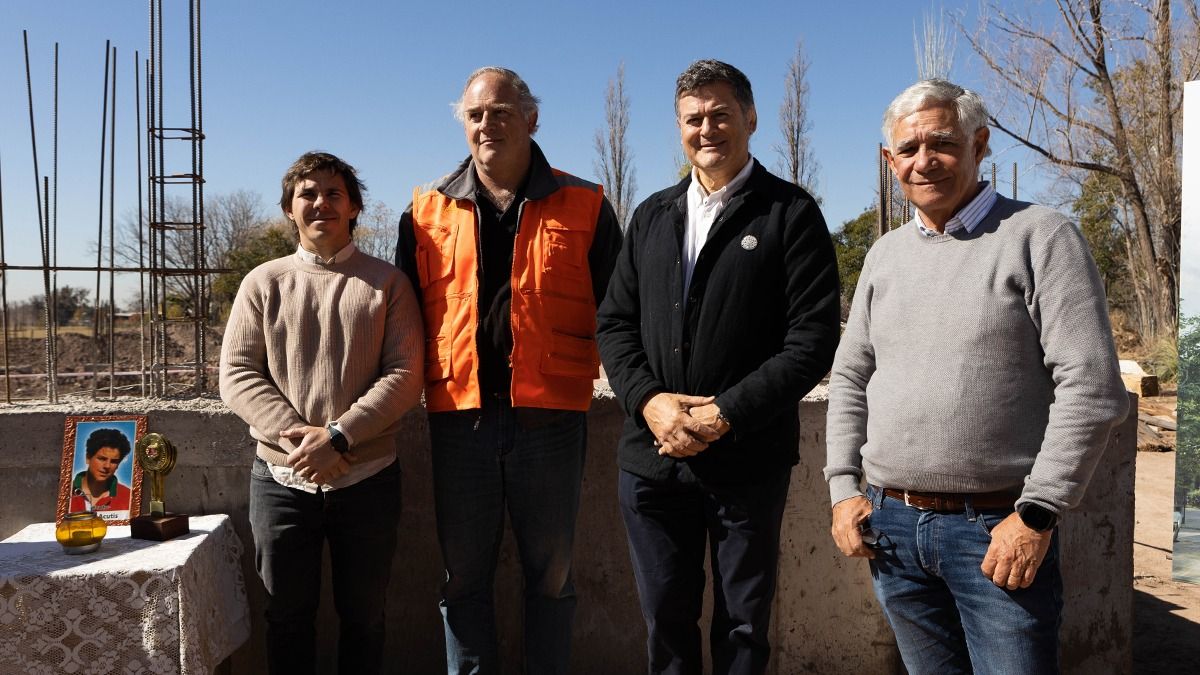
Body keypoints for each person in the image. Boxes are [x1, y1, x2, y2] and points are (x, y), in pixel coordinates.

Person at [824, 79, 1130, 674]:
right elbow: (851, 377)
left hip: (996, 530)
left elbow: (1091, 386)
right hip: (890, 530)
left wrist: (1038, 512)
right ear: (890, 161)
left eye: (941, 143)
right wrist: (843, 491)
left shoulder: (1041, 236)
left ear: (979, 143)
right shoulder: (885, 256)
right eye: (907, 150)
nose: (923, 161)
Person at [596, 59, 841, 675]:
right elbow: (615, 324)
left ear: (751, 118)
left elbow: (811, 342)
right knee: (666, 622)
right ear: (678, 128)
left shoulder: (790, 213)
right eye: (692, 118)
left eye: (720, 114)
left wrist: (725, 413)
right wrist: (650, 402)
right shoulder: (651, 216)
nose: (706, 128)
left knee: (743, 626)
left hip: (746, 463)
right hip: (651, 463)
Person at [395, 66, 621, 674]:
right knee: (462, 578)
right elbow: (401, 320)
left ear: (531, 118)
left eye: (500, 111)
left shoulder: (586, 204)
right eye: (475, 115)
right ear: (463, 124)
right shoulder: (425, 211)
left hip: (550, 420)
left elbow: (621, 312)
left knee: (551, 578)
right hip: (458, 421)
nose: (487, 124)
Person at [220, 151, 423, 675]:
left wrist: (340, 437)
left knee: (366, 618)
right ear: (290, 209)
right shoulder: (262, 283)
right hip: (281, 480)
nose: (320, 203)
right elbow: (238, 374)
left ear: (354, 206)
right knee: (286, 616)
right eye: (307, 194)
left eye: (333, 193)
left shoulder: (388, 284)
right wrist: (303, 442)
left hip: (369, 480)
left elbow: (405, 376)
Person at [70, 428, 132, 514]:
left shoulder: (128, 497)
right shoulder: (66, 492)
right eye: (102, 459)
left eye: (114, 461)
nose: (107, 466)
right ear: (88, 458)